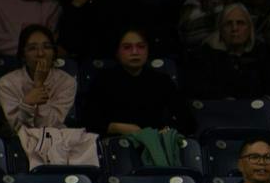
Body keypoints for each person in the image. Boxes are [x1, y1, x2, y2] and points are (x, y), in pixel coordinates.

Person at [77, 27, 194, 166]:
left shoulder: (161, 81)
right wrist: (116, 127)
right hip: (115, 148)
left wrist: (167, 130)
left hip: (155, 144)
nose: (135, 52)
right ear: (117, 51)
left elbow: (189, 122)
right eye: (127, 47)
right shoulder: (103, 81)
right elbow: (89, 122)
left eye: (141, 46)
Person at [0, 24, 97, 170]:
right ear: (23, 55)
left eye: (47, 47)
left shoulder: (66, 82)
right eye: (32, 48)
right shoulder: (7, 83)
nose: (41, 53)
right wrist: (27, 104)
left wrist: (38, 86)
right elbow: (17, 128)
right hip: (18, 143)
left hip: (55, 141)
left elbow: (49, 124)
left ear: (54, 52)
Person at [183, 2, 270, 101]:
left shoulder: (263, 53)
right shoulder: (203, 55)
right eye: (228, 24)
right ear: (220, 29)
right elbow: (197, 92)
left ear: (250, 28)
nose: (234, 28)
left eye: (240, 23)